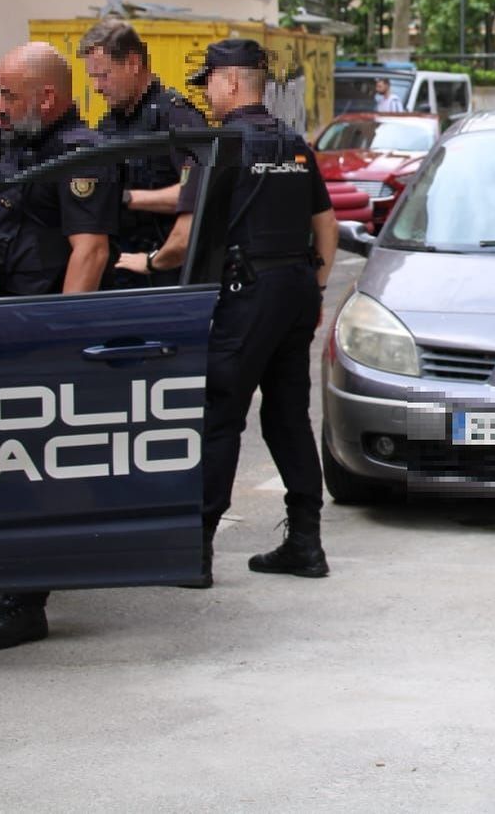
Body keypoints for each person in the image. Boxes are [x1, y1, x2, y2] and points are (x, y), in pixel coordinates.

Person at [117, 38, 338, 586]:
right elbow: (326, 226)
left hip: (249, 294)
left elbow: (184, 236)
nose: (207, 94)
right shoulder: (293, 143)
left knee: (220, 417)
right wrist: (312, 286)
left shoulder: (222, 146)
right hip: (294, 289)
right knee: (287, 416)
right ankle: (306, 543)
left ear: (231, 82)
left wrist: (141, 262)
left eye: (210, 83)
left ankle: (197, 552)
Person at [0, 42, 119, 650]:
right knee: (0, 461)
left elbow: (89, 250)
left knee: (28, 465)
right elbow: (15, 221)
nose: (0, 106)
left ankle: (25, 599)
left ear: (48, 97)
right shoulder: (25, 147)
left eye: (9, 95)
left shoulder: (80, 155)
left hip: (37, 334)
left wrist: (59, 337)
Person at [77, 18, 208, 287]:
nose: (98, 87)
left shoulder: (176, 118)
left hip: (162, 270)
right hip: (119, 266)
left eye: (104, 75)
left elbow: (203, 190)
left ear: (133, 63)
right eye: (93, 78)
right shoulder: (108, 123)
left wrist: (127, 198)